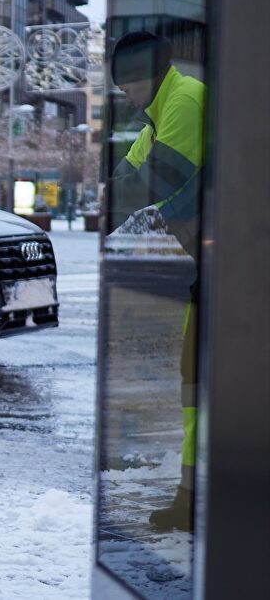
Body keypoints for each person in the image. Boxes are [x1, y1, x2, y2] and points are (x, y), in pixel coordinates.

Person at [107, 31, 205, 532]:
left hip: (227, 266)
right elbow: (122, 183)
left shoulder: (184, 101)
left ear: (147, 75)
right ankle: (189, 498)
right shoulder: (156, 117)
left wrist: (121, 199)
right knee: (192, 385)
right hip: (200, 268)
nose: (125, 97)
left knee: (200, 382)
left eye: (127, 86)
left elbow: (153, 183)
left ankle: (196, 498)